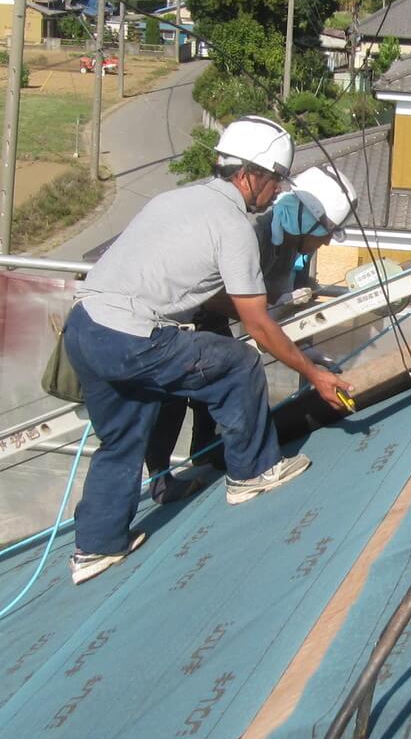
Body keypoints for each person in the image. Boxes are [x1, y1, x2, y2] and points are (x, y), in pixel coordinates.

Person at [61, 117, 353, 584]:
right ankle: (254, 472)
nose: (278, 190)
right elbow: (256, 325)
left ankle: (96, 547)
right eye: (276, 179)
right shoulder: (234, 226)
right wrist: (314, 373)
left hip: (84, 328)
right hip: (132, 337)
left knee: (122, 437)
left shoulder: (175, 199)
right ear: (250, 174)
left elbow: (196, 290)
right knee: (238, 362)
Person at [145, 165, 357, 497]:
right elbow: (223, 300)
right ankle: (162, 480)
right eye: (326, 231)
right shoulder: (252, 232)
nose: (328, 241)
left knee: (213, 390)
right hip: (176, 316)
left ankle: (207, 453)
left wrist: (303, 349)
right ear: (306, 221)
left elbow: (275, 310)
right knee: (172, 399)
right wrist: (270, 321)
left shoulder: (291, 248)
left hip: (212, 318)